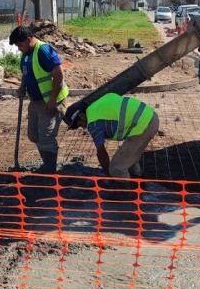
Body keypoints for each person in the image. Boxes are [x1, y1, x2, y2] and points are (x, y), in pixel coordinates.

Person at [9, 26, 69, 173]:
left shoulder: (43, 51)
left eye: (20, 45)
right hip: (35, 101)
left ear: (29, 39)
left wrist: (53, 100)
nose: (19, 49)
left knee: (46, 137)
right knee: (34, 135)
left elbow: (59, 75)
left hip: (51, 101)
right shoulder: (26, 54)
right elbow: (27, 74)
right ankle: (46, 164)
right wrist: (23, 87)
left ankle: (49, 171)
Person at [65, 93, 159, 179]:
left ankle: (127, 194)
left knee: (116, 168)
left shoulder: (93, 123)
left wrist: (109, 176)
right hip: (150, 117)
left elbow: (102, 154)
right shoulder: (98, 104)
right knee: (128, 159)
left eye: (78, 124)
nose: (81, 127)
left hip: (143, 126)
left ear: (81, 115)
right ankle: (140, 184)